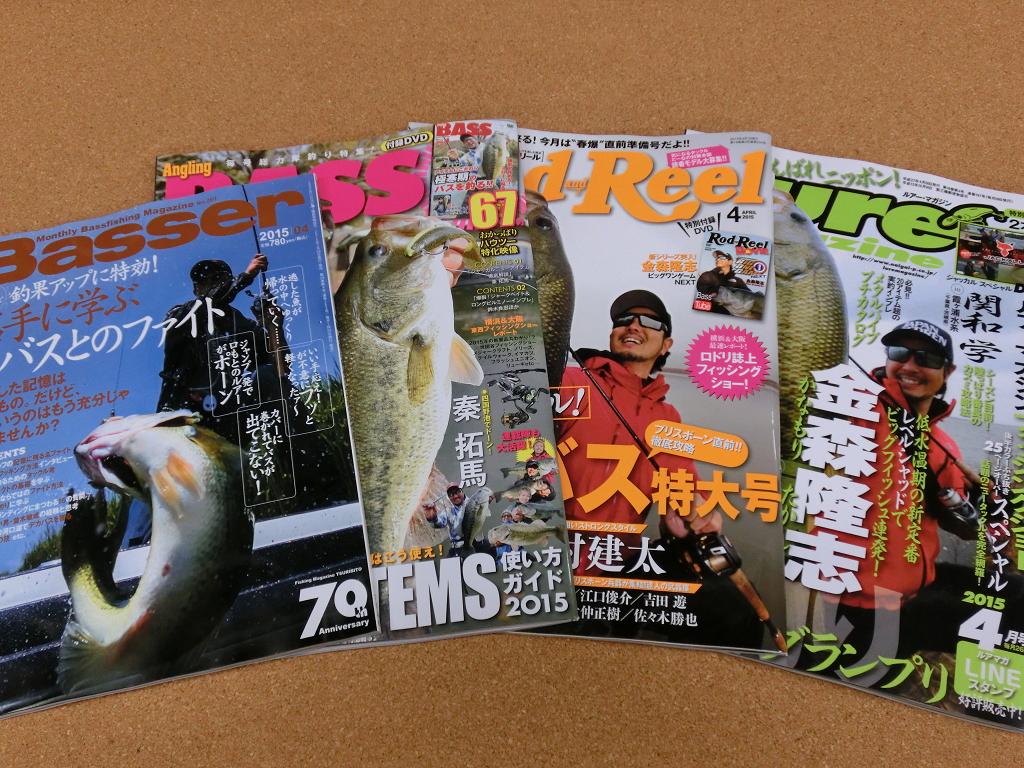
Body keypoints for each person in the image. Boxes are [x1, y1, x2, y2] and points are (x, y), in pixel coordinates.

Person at [829, 319, 1023, 659]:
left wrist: (990, 502)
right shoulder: (853, 409)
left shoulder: (942, 445)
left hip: (916, 589)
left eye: (927, 358)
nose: (910, 366)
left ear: (947, 371)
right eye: (899, 353)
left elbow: (963, 527)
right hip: (857, 601)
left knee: (1016, 594)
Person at [560, 290, 721, 568]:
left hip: (617, 566)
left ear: (666, 345)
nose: (633, 326)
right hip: (545, 563)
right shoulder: (569, 381)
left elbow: (685, 486)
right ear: (612, 334)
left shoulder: (667, 418)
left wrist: (696, 516)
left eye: (650, 322)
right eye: (624, 319)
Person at [157, 256, 278, 442]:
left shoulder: (239, 321)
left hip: (229, 413)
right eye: (203, 281)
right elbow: (208, 303)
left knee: (268, 375)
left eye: (218, 278)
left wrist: (270, 323)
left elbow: (271, 359)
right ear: (196, 289)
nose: (211, 284)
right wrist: (246, 276)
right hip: (183, 412)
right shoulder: (181, 313)